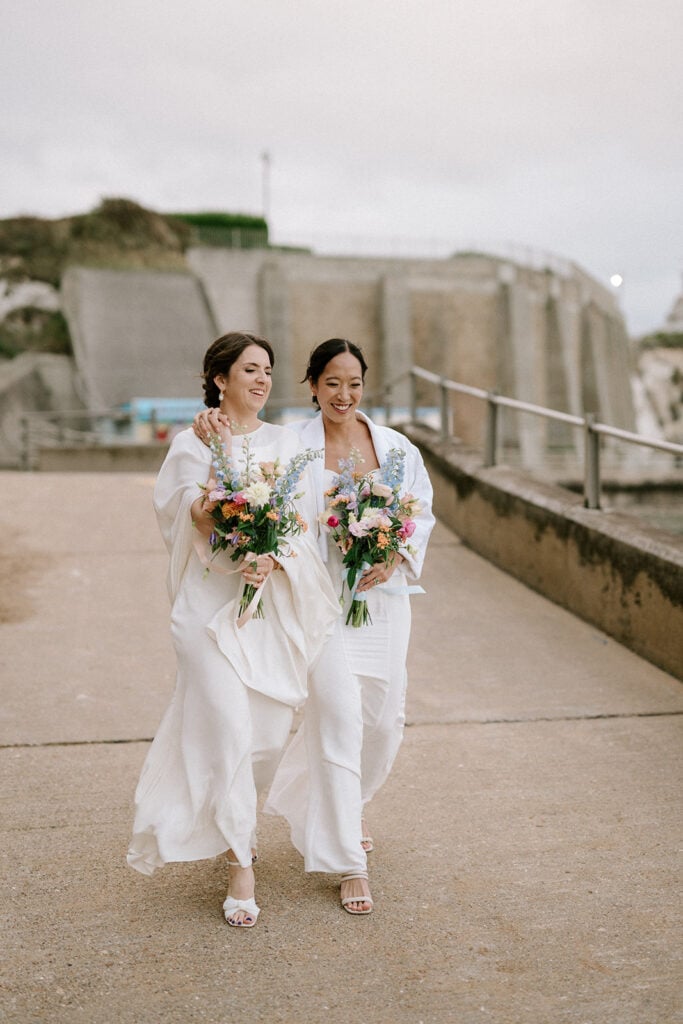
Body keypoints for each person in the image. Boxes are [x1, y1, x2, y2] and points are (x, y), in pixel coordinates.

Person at [194, 338, 434, 914]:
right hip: (319, 603)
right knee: (338, 715)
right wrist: (213, 419)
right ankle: (348, 858)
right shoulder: (292, 444)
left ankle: (346, 804)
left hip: (383, 600)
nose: (343, 395)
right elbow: (250, 470)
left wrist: (392, 553)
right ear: (312, 386)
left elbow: (419, 511)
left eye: (353, 384)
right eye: (331, 383)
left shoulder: (396, 447)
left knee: (383, 717)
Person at [127, 332, 339, 928]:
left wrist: (273, 553)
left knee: (267, 736)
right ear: (220, 378)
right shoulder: (193, 439)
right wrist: (224, 511)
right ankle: (242, 861)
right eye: (250, 369)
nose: (263, 379)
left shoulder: (287, 441)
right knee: (225, 724)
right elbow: (180, 510)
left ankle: (230, 823)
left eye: (268, 370)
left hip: (268, 607)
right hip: (207, 607)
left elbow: (298, 519)